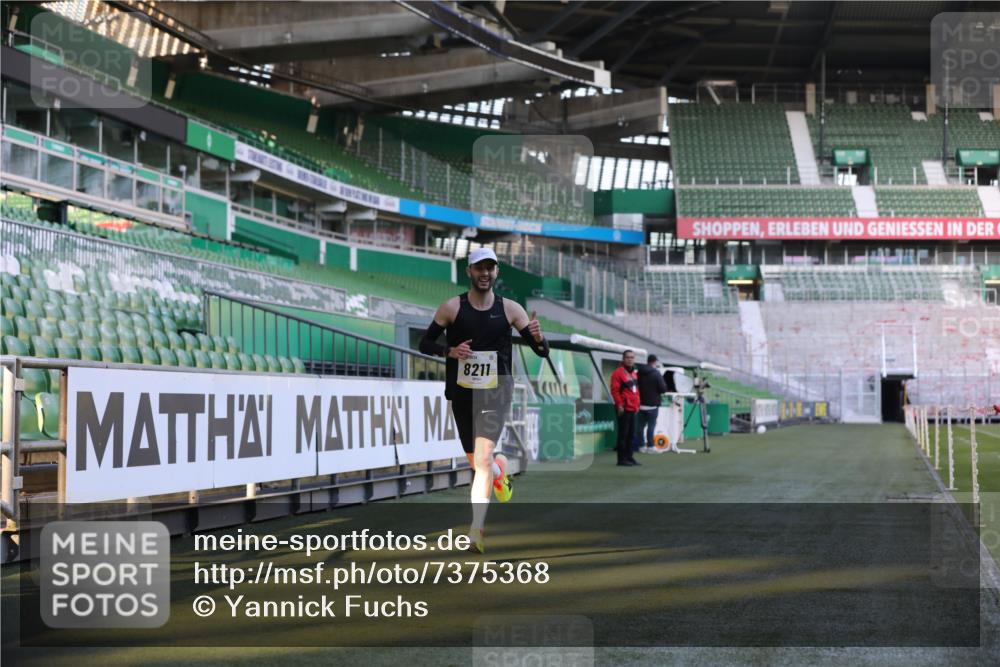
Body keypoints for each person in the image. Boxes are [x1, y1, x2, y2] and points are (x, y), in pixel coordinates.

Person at [419, 246, 550, 553]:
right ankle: (500, 472)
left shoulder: (511, 309)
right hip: (462, 392)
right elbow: (426, 342)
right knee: (478, 462)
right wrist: (448, 352)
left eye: (490, 268)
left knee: (481, 459)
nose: (485, 273)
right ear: (469, 271)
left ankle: (476, 530)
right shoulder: (451, 307)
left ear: (496, 272)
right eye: (480, 268)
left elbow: (541, 351)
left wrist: (539, 337)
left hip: (497, 390)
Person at [610, 349, 641, 467]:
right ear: (623, 359)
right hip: (623, 408)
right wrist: (619, 405)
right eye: (627, 357)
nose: (630, 359)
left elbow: (636, 392)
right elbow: (615, 391)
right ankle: (621, 459)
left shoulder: (634, 373)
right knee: (623, 434)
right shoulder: (618, 373)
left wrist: (638, 405)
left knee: (631, 434)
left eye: (632, 357)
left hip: (633, 408)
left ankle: (630, 457)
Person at [636, 354, 668, 454]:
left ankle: (641, 446)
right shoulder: (656, 373)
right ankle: (650, 446)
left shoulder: (638, 372)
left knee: (640, 426)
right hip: (652, 405)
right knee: (651, 426)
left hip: (640, 403)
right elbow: (663, 389)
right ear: (655, 362)